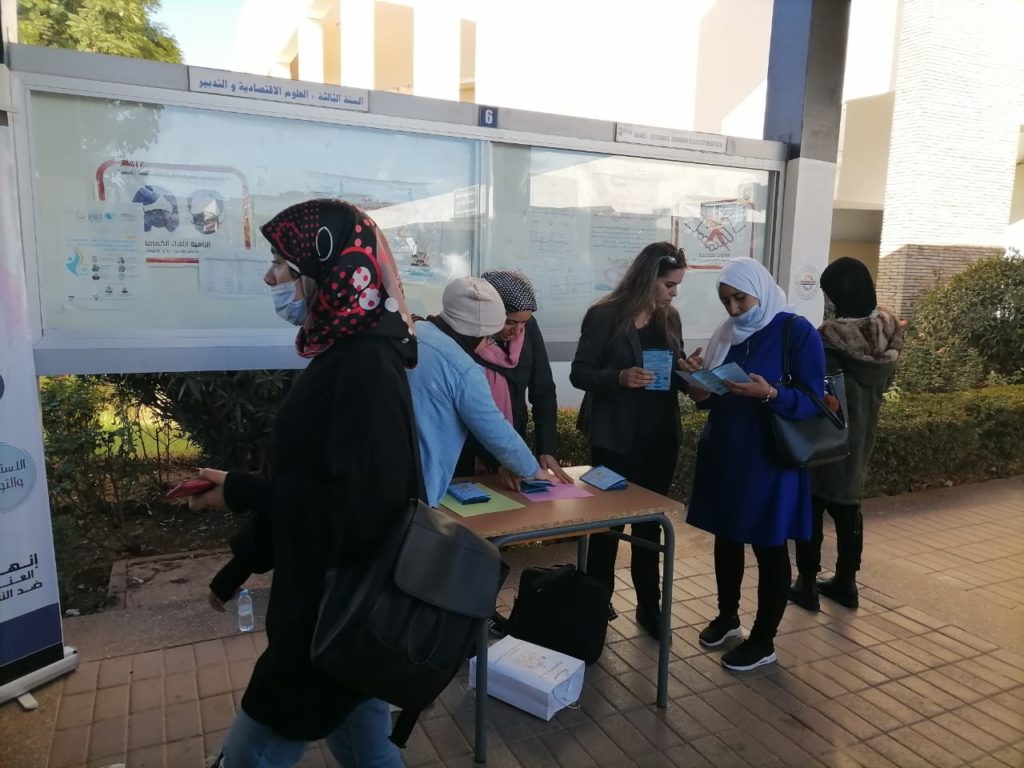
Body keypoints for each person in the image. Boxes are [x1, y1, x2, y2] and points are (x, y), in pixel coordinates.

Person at [191, 200, 417, 767]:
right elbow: (310, 479)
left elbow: (355, 508)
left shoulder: (366, 365)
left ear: (332, 272)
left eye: (282, 266)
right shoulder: (346, 353)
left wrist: (241, 491)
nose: (270, 279)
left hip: (330, 614)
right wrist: (237, 567)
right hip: (337, 612)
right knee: (365, 746)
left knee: (253, 751)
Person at [682, 257, 826, 672]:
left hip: (769, 459)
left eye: (740, 299)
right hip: (727, 451)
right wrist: (698, 385)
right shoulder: (726, 333)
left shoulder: (794, 330)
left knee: (768, 544)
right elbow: (711, 398)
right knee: (727, 536)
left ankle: (764, 640)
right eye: (726, 301)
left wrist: (771, 394)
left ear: (759, 290)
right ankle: (728, 617)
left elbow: (814, 402)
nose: (734, 309)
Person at [569, 241, 687, 639]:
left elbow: (672, 373)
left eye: (677, 285)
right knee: (607, 528)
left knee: (650, 527)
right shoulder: (605, 315)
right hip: (615, 439)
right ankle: (596, 604)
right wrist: (618, 378)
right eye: (669, 284)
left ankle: (649, 606)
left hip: (660, 437)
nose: (674, 293)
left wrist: (692, 373)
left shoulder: (670, 319)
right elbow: (580, 373)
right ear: (648, 278)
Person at [789, 257, 904, 611]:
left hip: (826, 433)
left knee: (812, 507)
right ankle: (846, 582)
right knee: (849, 507)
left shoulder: (828, 339)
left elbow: (810, 384)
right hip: (862, 436)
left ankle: (806, 583)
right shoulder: (887, 335)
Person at [407, 276, 557, 508]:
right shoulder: (464, 368)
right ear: (474, 332)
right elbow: (490, 424)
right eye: (488, 337)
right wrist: (532, 470)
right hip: (424, 481)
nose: (489, 344)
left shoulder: (415, 333)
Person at [455, 269, 572, 484]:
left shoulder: (529, 330)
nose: (517, 331)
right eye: (509, 322)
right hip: (466, 451)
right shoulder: (463, 338)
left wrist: (546, 449)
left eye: (523, 323)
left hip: (512, 442)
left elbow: (544, 391)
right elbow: (465, 410)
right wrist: (499, 461)